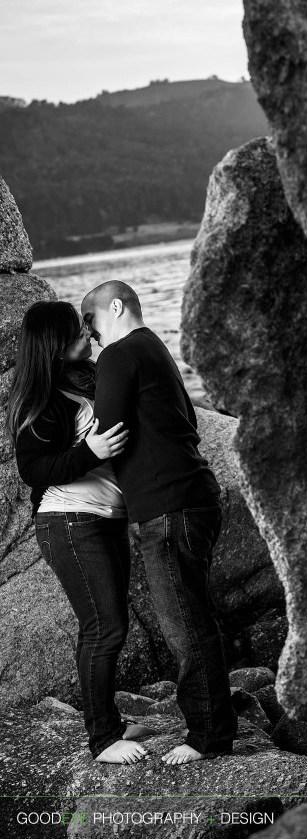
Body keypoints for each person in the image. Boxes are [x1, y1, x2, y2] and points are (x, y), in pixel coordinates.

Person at [81, 280, 238, 765]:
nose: (92, 337)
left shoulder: (120, 353)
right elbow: (189, 420)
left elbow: (105, 426)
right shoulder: (156, 348)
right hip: (196, 497)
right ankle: (214, 722)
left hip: (167, 508)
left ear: (115, 306)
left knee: (184, 627)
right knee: (196, 616)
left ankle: (207, 736)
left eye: (92, 324)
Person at [7, 300, 153, 764]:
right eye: (77, 329)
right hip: (69, 520)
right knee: (104, 627)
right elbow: (34, 470)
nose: (87, 335)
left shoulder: (87, 378)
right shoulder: (41, 398)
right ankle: (104, 740)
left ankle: (106, 720)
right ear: (54, 340)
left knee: (111, 625)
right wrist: (89, 451)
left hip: (106, 517)